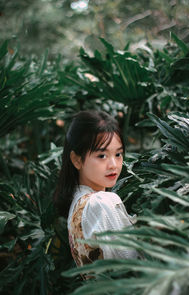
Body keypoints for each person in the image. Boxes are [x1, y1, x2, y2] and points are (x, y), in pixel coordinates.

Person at [54, 110, 137, 268]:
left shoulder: (77, 204)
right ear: (77, 160)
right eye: (102, 156)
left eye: (118, 154)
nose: (113, 164)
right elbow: (136, 267)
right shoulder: (100, 203)